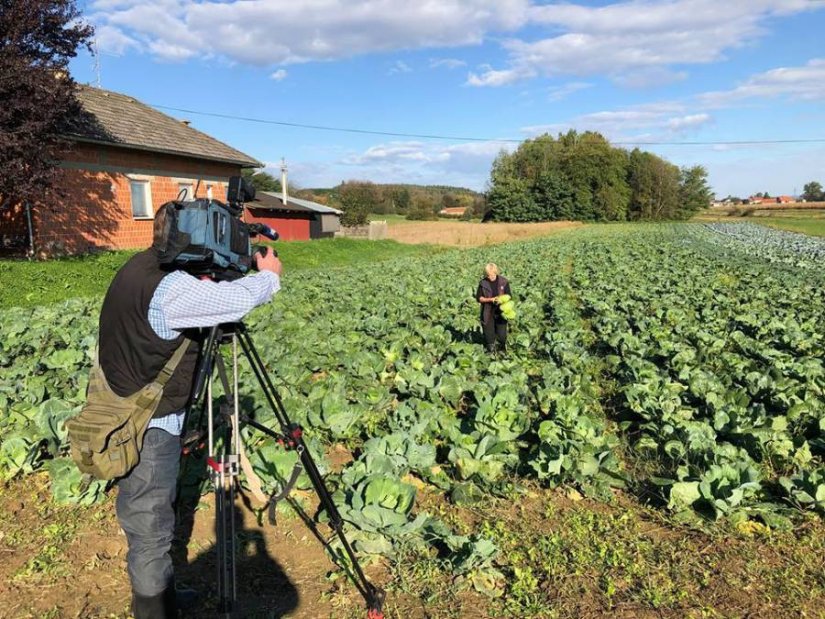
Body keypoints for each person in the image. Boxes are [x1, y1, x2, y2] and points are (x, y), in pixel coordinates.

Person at [96, 206, 282, 618]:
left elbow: (197, 292)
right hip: (149, 423)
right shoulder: (171, 288)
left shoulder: (140, 264)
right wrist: (268, 276)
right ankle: (154, 611)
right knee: (151, 527)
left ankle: (163, 596)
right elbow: (232, 302)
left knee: (153, 517)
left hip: (126, 404)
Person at [476, 263, 511, 354]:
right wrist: (490, 299)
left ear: (496, 272)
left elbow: (509, 296)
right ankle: (491, 352)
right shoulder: (483, 283)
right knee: (489, 335)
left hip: (501, 312)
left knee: (502, 335)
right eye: (487, 275)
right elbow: (479, 298)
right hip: (488, 312)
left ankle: (502, 351)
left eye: (491, 274)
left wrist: (501, 300)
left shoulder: (504, 281)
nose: (490, 276)